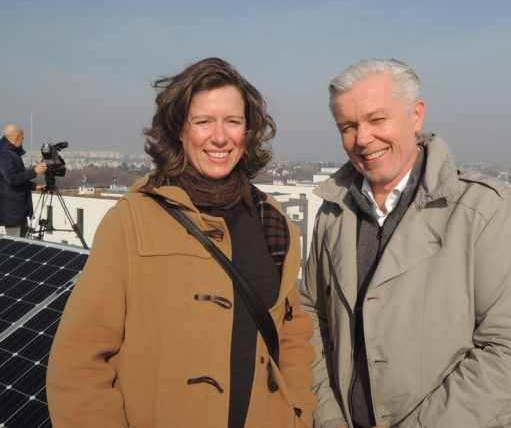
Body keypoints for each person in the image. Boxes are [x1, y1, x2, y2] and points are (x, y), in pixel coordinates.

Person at [46, 57, 317, 427]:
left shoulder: (274, 223)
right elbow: (79, 364)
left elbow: (293, 338)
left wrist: (298, 414)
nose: (219, 137)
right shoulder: (132, 220)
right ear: (179, 130)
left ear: (248, 132)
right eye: (203, 121)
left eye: (233, 122)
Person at [299, 58, 511, 428]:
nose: (363, 139)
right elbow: (312, 317)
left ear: (416, 115)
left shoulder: (483, 208)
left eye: (378, 119)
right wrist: (328, 419)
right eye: (348, 126)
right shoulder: (334, 212)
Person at [0, 124, 46, 237]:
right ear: (17, 137)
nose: (22, 140)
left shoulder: (13, 154)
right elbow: (12, 179)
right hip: (12, 214)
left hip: (20, 211)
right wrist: (34, 171)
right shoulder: (3, 156)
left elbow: (19, 178)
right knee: (14, 246)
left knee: (22, 244)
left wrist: (33, 186)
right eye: (22, 137)